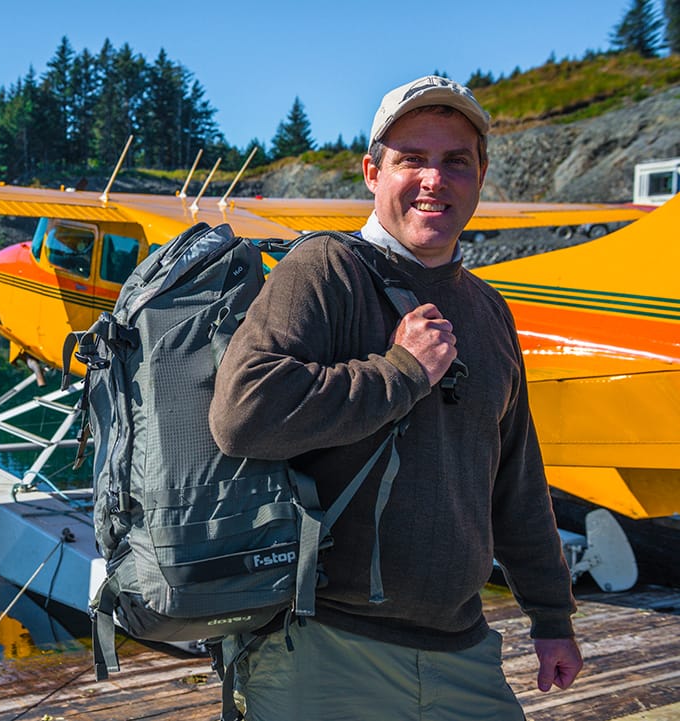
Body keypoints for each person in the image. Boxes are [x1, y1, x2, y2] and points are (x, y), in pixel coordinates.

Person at [209, 75, 583, 720]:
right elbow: (242, 415)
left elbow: (516, 477)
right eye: (412, 159)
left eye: (455, 162)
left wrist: (551, 615)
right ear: (372, 172)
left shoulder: (489, 311)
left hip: (463, 647)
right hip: (324, 643)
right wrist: (401, 371)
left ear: (480, 175)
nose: (434, 180)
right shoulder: (324, 268)